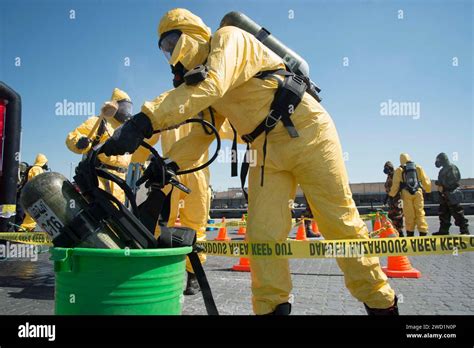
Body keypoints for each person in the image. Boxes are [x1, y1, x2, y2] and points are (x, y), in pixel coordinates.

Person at [102, 8, 397, 315]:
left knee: (339, 224)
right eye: (164, 49)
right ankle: (272, 309)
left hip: (308, 131)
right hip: (265, 149)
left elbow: (212, 84)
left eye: (173, 41)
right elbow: (203, 133)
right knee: (262, 237)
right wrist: (169, 164)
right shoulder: (202, 84)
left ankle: (381, 304)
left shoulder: (229, 40)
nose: (171, 52)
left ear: (191, 33)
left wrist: (142, 121)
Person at [66, 88, 132, 203]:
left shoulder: (127, 130)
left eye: (128, 108)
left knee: (115, 217)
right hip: (100, 178)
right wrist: (79, 142)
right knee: (100, 213)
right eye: (123, 107)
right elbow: (73, 137)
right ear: (115, 106)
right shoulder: (99, 122)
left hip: (120, 182)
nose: (126, 111)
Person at [389, 154, 431, 237]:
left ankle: (410, 233)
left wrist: (391, 194)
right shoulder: (417, 167)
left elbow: (395, 185)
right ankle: (423, 232)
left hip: (406, 193)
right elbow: (426, 180)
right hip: (418, 192)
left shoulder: (399, 170)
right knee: (420, 213)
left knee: (409, 214)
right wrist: (428, 190)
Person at [432, 153, 469, 235]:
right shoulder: (443, 170)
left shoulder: (451, 168)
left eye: (438, 160)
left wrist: (442, 183)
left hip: (451, 194)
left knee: (457, 213)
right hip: (444, 195)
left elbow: (454, 180)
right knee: (443, 213)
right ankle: (443, 230)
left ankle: (464, 230)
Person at [19, 153, 49, 231]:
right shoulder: (37, 169)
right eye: (46, 162)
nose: (46, 164)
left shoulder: (33, 168)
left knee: (31, 215)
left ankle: (27, 229)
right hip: (34, 194)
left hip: (30, 194)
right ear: (42, 161)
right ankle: (24, 229)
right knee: (32, 214)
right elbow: (38, 181)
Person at [383, 161, 404, 236]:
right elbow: (389, 189)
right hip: (391, 200)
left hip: (398, 199)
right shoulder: (389, 176)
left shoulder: (396, 175)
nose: (385, 170)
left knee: (398, 216)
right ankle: (395, 233)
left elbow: (398, 186)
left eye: (386, 168)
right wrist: (386, 198)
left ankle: (401, 234)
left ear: (390, 168)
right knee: (391, 217)